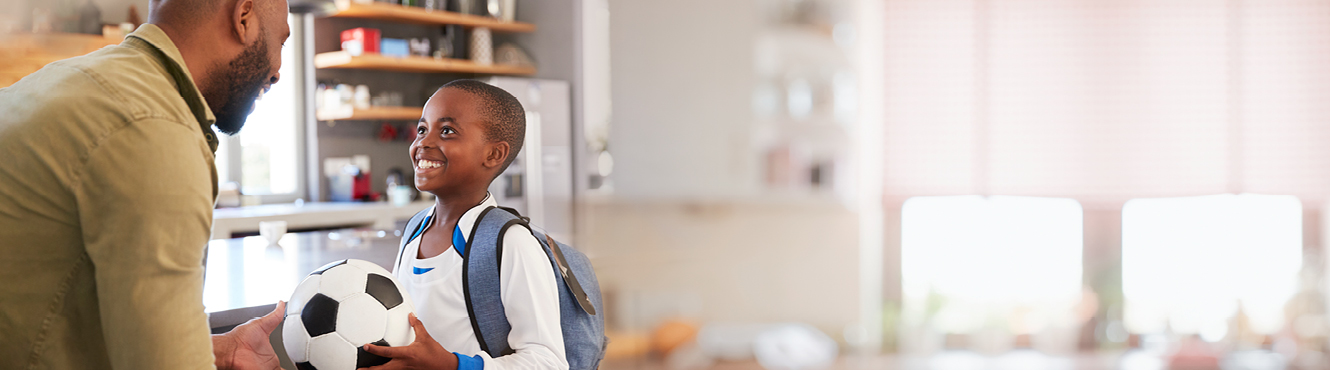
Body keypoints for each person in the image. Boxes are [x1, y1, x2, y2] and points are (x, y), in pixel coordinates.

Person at [0, 0, 291, 368]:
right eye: (280, 41)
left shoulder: (68, 80)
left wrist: (214, 350)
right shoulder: (155, 131)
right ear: (243, 17)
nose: (278, 71)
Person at [366, 80, 568, 370]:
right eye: (422, 129)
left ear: (494, 154)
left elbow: (549, 363)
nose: (423, 142)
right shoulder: (414, 231)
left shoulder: (510, 242)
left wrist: (452, 364)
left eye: (447, 131)